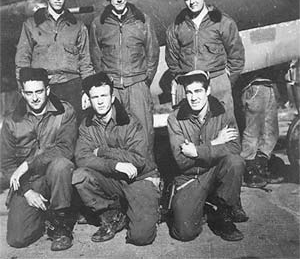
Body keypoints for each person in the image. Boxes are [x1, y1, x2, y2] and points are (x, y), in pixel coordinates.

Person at [72, 72, 160, 246]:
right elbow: (82, 158)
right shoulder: (87, 125)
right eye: (95, 97)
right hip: (112, 179)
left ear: (112, 97)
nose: (100, 101)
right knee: (80, 176)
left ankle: (150, 205)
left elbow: (138, 159)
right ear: (89, 99)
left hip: (138, 179)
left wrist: (103, 151)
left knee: (141, 237)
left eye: (104, 95)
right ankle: (112, 214)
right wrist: (115, 165)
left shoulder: (129, 121)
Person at [0, 68, 77, 251]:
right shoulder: (12, 121)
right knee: (17, 239)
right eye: (29, 93)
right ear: (22, 93)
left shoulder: (65, 111)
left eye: (39, 91)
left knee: (61, 165)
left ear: (48, 90)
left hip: (56, 177)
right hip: (30, 184)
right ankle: (45, 215)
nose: (34, 98)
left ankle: (60, 224)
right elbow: (6, 163)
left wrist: (28, 164)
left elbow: (65, 149)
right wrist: (27, 192)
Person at [167, 70, 246, 242]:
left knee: (235, 162)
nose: (193, 97)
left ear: (208, 91)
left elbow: (234, 147)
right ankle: (202, 206)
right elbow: (181, 161)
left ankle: (224, 214)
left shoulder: (223, 112)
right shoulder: (175, 119)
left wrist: (198, 151)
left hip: (215, 171)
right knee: (184, 233)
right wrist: (215, 143)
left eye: (198, 91)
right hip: (190, 177)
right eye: (189, 92)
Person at [89, 0, 159, 155]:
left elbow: (152, 54)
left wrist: (143, 83)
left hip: (137, 87)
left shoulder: (142, 20)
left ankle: (151, 176)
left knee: (144, 133)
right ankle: (122, 178)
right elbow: (96, 59)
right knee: (116, 135)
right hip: (113, 90)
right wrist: (108, 86)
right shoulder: (98, 24)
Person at [15, 0, 94, 123]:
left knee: (73, 136)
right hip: (44, 89)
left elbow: (86, 63)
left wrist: (87, 92)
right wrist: (25, 93)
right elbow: (22, 63)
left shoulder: (78, 26)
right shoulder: (31, 25)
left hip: (72, 89)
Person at [165, 0, 245, 119]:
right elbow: (172, 58)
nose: (192, 2)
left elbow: (236, 56)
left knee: (226, 129)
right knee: (195, 132)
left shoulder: (222, 22)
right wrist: (182, 79)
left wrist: (225, 81)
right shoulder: (177, 26)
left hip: (217, 83)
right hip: (191, 87)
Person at [239, 67, 285, 187]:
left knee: (270, 130)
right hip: (255, 84)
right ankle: (249, 170)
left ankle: (261, 166)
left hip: (268, 83)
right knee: (253, 130)